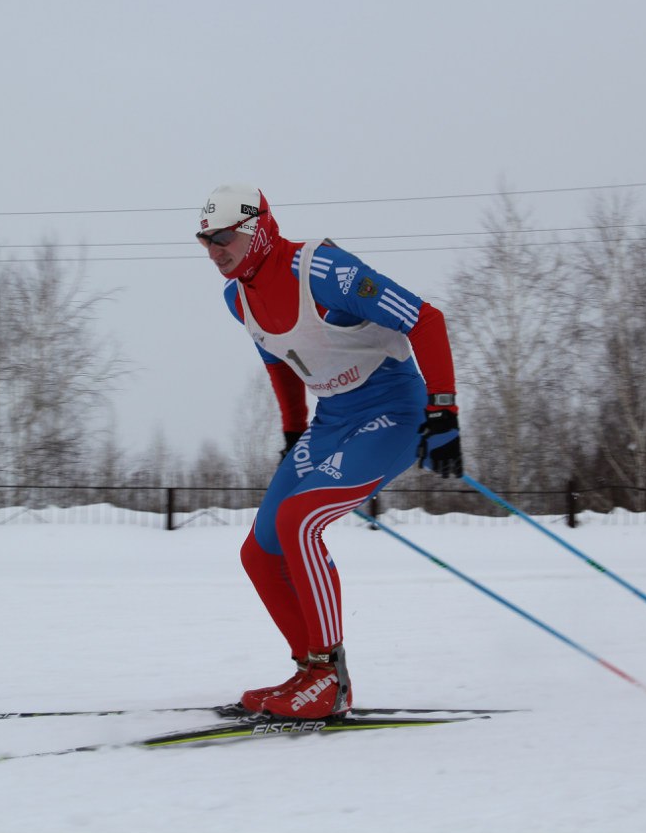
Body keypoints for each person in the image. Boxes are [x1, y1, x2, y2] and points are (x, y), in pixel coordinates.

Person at [197, 182, 464, 719]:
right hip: (331, 421)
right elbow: (279, 361)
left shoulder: (320, 270)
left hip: (391, 412)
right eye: (205, 242)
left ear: (257, 228)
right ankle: (307, 672)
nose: (214, 250)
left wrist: (443, 413)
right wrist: (295, 432)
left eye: (223, 236)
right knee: (258, 552)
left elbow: (424, 319)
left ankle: (330, 680)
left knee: (300, 520)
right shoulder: (237, 297)